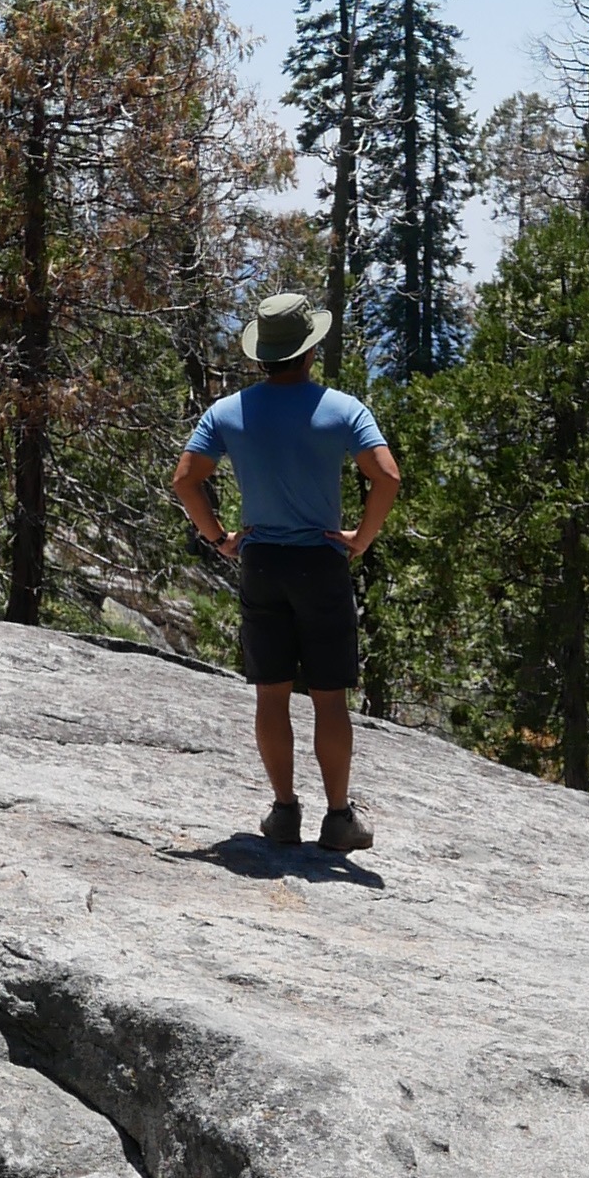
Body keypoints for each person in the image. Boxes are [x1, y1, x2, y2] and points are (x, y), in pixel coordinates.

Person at [172, 291, 400, 850]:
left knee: (271, 696)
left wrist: (219, 538)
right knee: (329, 697)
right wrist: (360, 540)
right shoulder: (343, 409)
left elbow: (185, 480)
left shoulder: (227, 412)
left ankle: (284, 813)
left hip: (262, 563)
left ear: (262, 354)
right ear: (310, 350)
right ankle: (340, 818)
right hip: (322, 561)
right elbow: (387, 478)